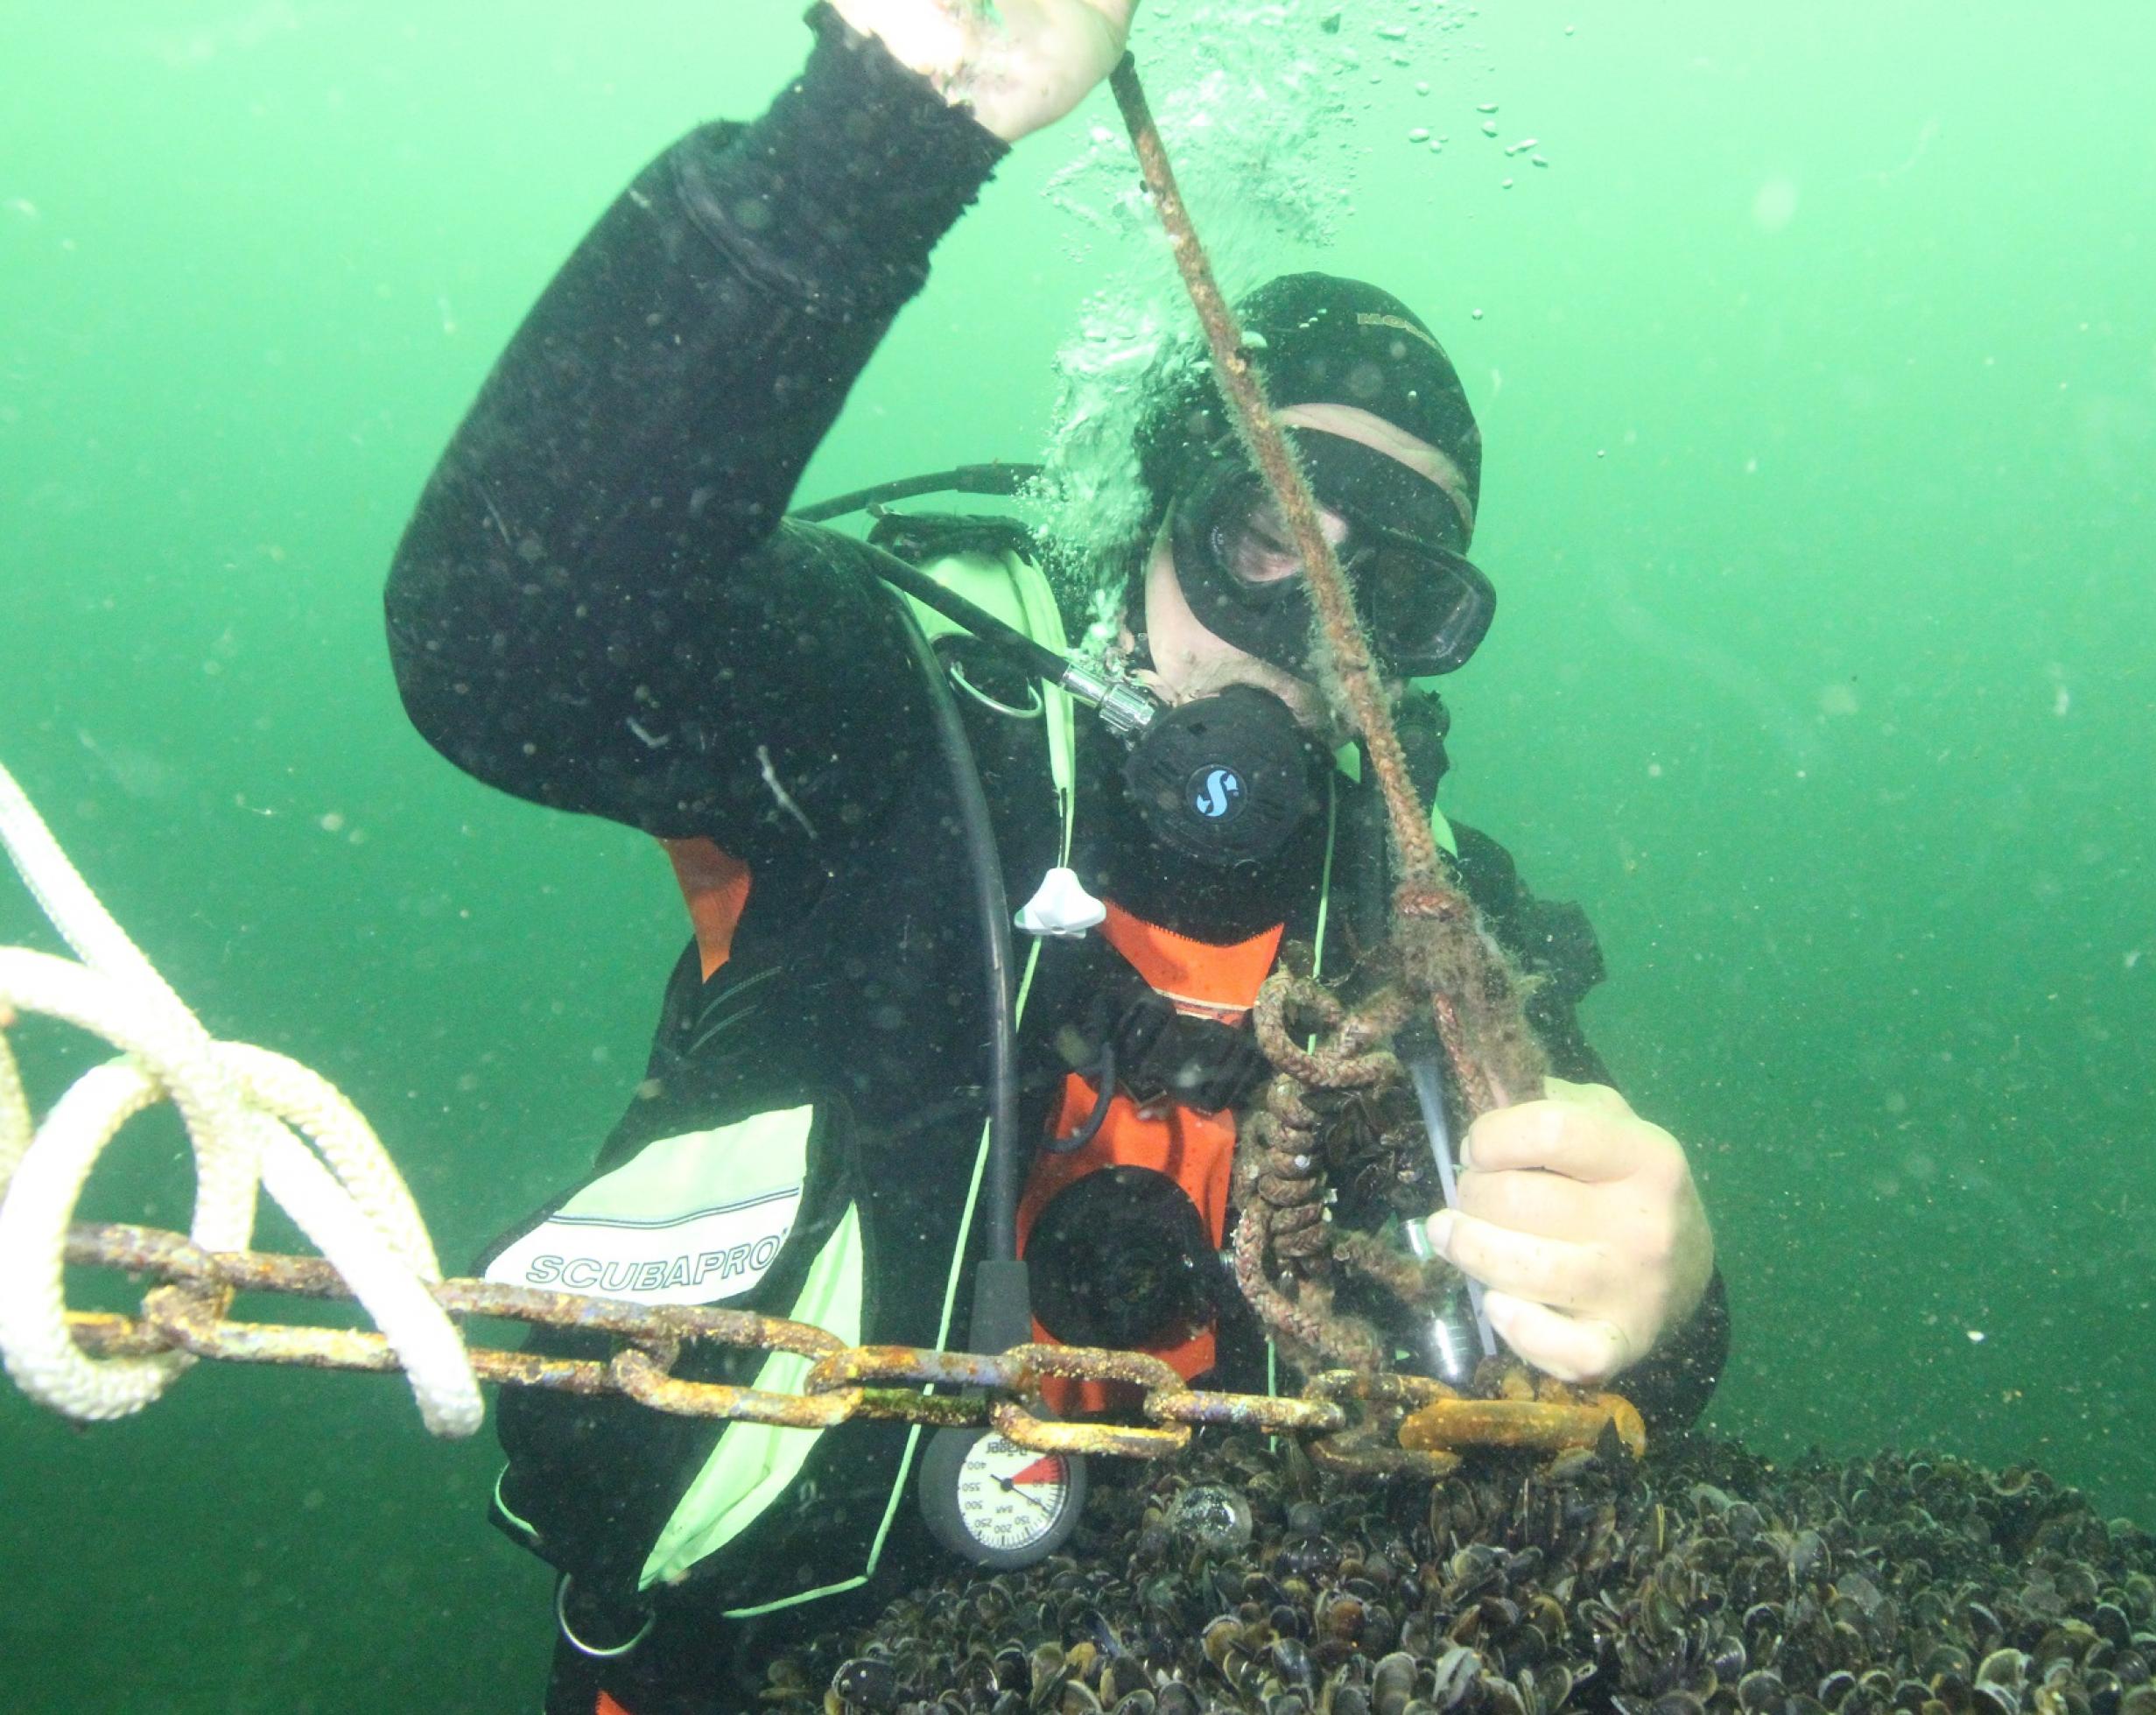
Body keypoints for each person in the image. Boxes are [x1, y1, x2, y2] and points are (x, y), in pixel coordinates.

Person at [384, 3, 1726, 1711]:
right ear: (1158, 495)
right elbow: (501, 645)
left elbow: (1618, 1361)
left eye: (1385, 597)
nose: (1310, 632)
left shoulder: (1427, 918)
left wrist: (1666, 1291)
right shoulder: (896, 714)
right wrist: (880, 129)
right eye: (1269, 537)